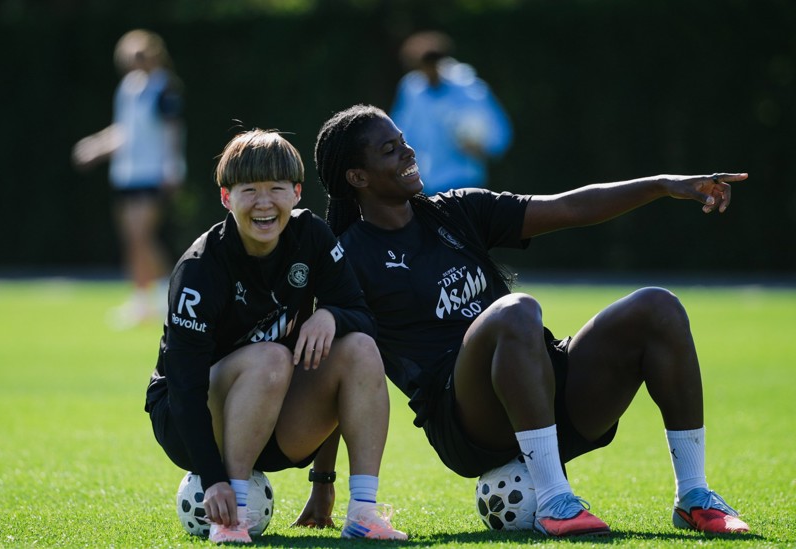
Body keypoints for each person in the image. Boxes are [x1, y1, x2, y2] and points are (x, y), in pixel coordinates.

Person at [307, 104, 751, 537]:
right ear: (357, 177)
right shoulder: (348, 256)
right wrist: (322, 484)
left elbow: (572, 208)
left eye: (403, 142)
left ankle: (694, 495)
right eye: (389, 149)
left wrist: (662, 184)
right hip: (466, 421)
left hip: (545, 390)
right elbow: (342, 368)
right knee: (515, 310)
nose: (408, 152)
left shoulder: (455, 211)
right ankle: (555, 499)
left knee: (659, 306)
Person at [144, 129, 406, 543]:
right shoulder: (199, 268)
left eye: (277, 189)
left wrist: (333, 317)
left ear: (297, 192)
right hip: (188, 420)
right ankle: (234, 516)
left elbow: (363, 317)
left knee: (360, 347)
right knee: (269, 357)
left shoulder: (312, 236)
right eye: (249, 190)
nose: (264, 203)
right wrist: (213, 480)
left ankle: (363, 511)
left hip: (274, 415)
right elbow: (184, 384)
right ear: (226, 198)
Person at [72, 29, 186, 329]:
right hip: (127, 174)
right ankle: (141, 302)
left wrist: (173, 168)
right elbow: (124, 131)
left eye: (139, 55)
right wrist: (97, 146)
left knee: (142, 236)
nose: (134, 62)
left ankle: (170, 297)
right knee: (132, 240)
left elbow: (172, 131)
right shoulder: (127, 88)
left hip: (153, 174)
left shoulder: (164, 87)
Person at [390, 30, 513, 193]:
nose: (429, 71)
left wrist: (482, 147)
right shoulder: (412, 90)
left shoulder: (469, 87)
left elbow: (499, 132)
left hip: (467, 181)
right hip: (427, 183)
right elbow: (401, 132)